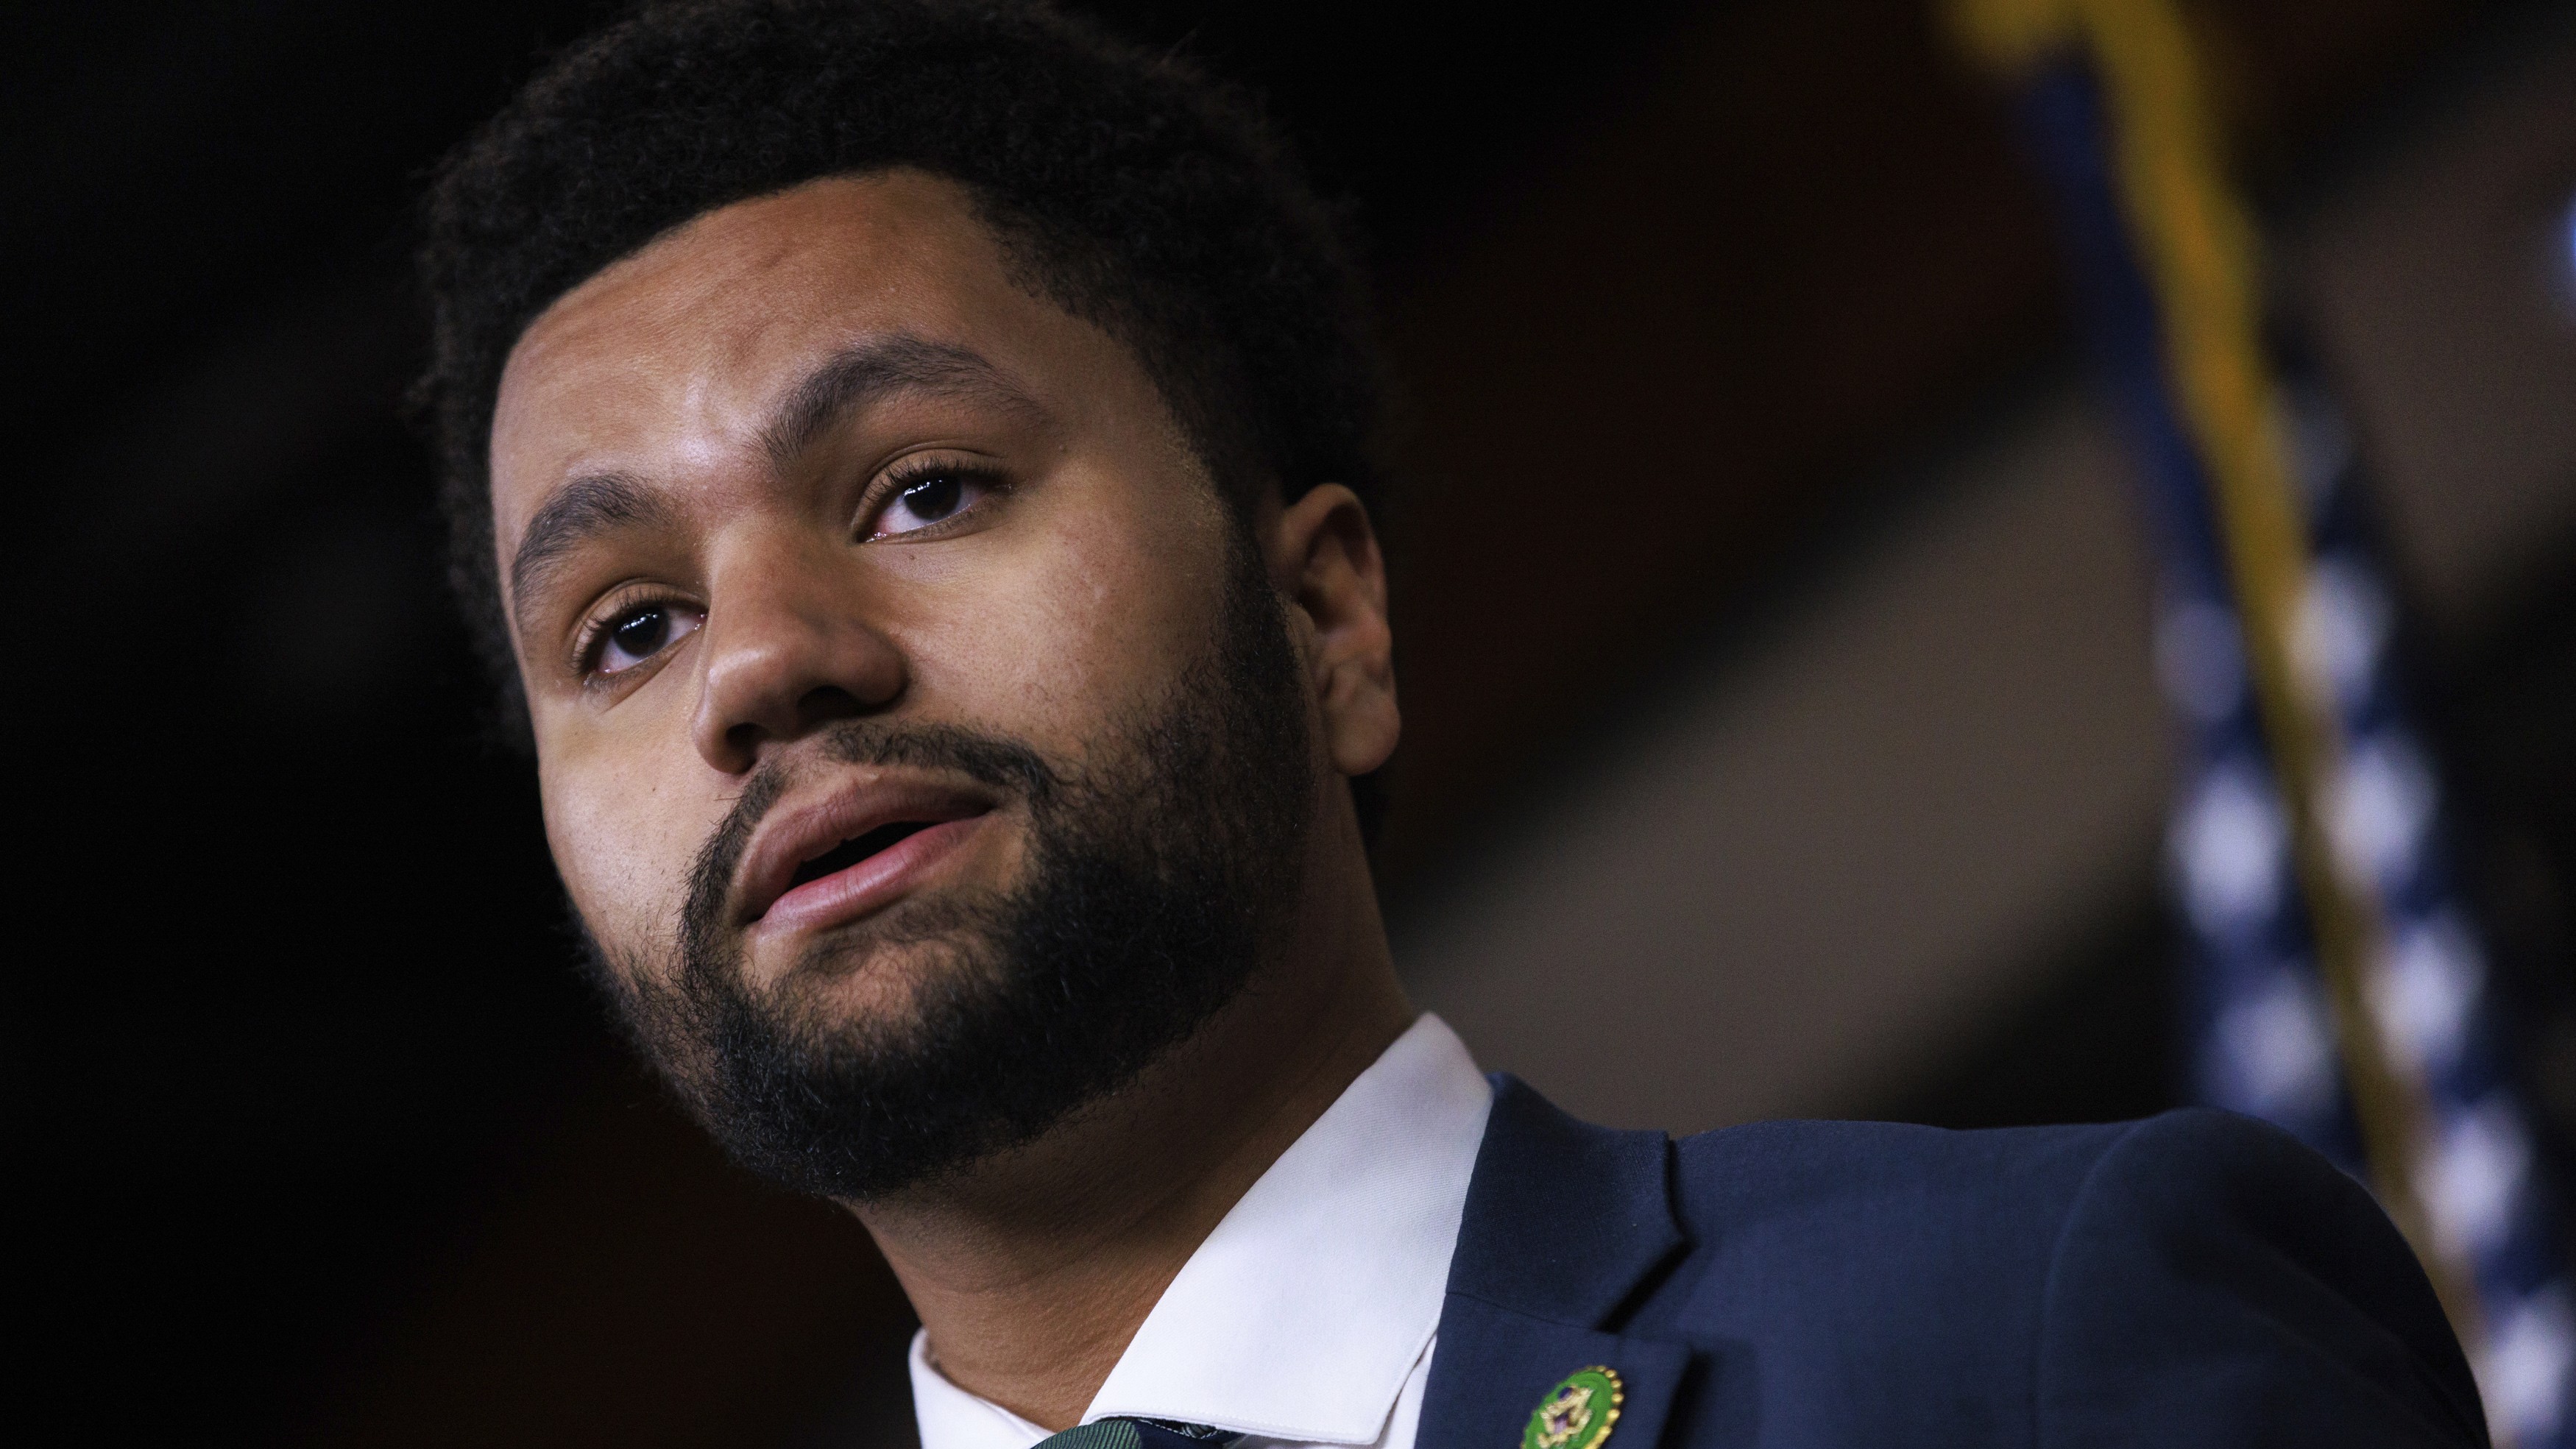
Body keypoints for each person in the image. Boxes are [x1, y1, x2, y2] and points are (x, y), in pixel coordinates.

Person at [414, 2, 2488, 1445]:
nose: (761, 666)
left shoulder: (2029, 1333)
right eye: (627, 629)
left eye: (923, 490)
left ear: (1328, 615)